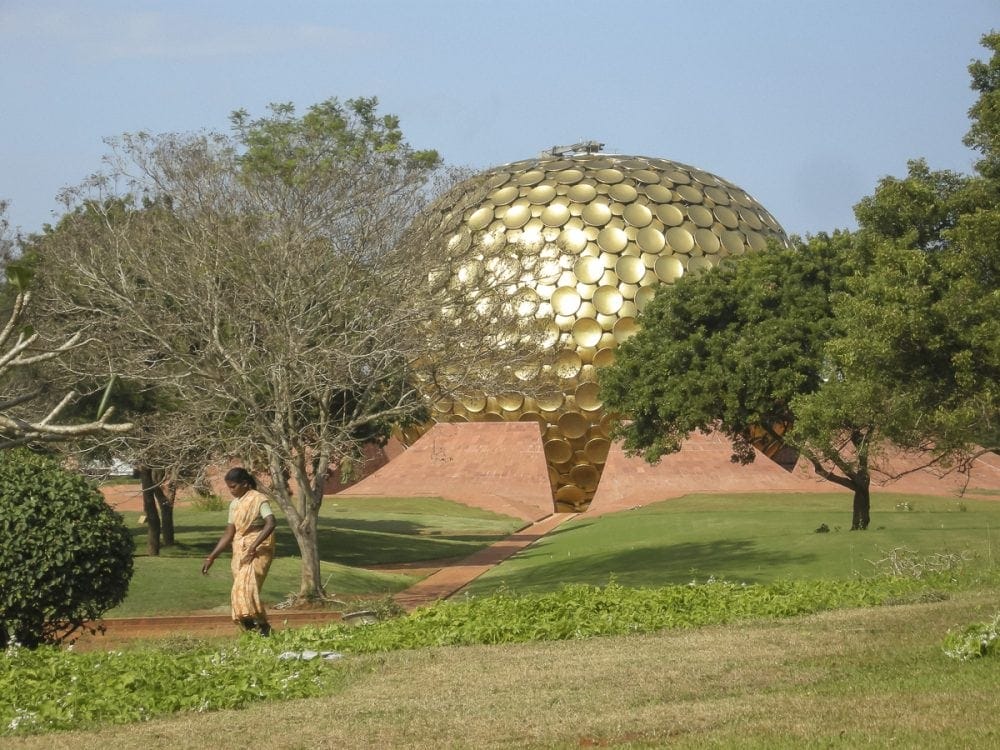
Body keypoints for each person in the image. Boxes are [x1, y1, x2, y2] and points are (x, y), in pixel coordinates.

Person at [201, 467, 277, 635]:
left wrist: (254, 545)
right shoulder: (234, 505)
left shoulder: (259, 499)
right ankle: (253, 630)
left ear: (245, 484)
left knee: (246, 588)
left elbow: (271, 523)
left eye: (233, 486)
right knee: (238, 590)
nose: (231, 491)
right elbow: (230, 532)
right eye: (229, 487)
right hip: (240, 550)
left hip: (259, 548)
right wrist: (211, 557)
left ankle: (263, 628)